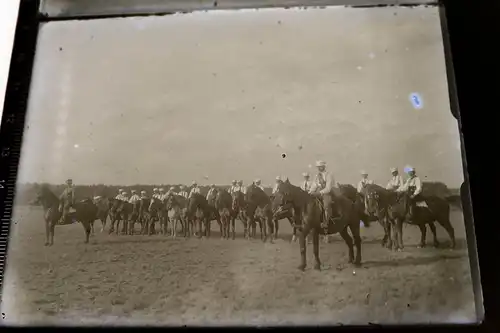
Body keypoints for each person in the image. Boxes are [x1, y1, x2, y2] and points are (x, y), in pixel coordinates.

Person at [308, 160, 342, 226]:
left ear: (324, 166)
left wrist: (319, 193)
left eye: (320, 167)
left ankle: (326, 222)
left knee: (326, 205)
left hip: (327, 193)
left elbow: (328, 188)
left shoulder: (329, 175)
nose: (318, 168)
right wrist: (310, 192)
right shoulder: (317, 175)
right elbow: (314, 185)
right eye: (318, 167)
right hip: (318, 192)